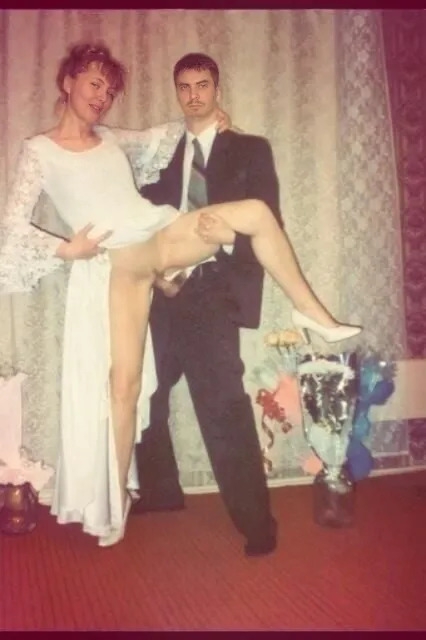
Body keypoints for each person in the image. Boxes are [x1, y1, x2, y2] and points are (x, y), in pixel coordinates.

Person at [0, 42, 361, 548]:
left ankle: (312, 313)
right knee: (127, 389)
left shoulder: (120, 140)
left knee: (255, 216)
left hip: (179, 258)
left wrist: (217, 127)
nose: (102, 96)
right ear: (67, 82)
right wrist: (66, 248)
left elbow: (172, 137)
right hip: (127, 267)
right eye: (94, 83)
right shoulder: (39, 150)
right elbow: (12, 225)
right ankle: (123, 503)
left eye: (109, 88)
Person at [132, 53, 284, 556]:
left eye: (202, 85)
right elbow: (141, 223)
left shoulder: (249, 150)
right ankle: (160, 492)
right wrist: (156, 274)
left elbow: (269, 224)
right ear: (176, 91)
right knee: (144, 394)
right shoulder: (160, 154)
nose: (193, 94)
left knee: (223, 407)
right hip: (161, 294)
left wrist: (227, 241)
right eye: (184, 86)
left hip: (212, 293)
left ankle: (257, 523)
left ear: (217, 87)